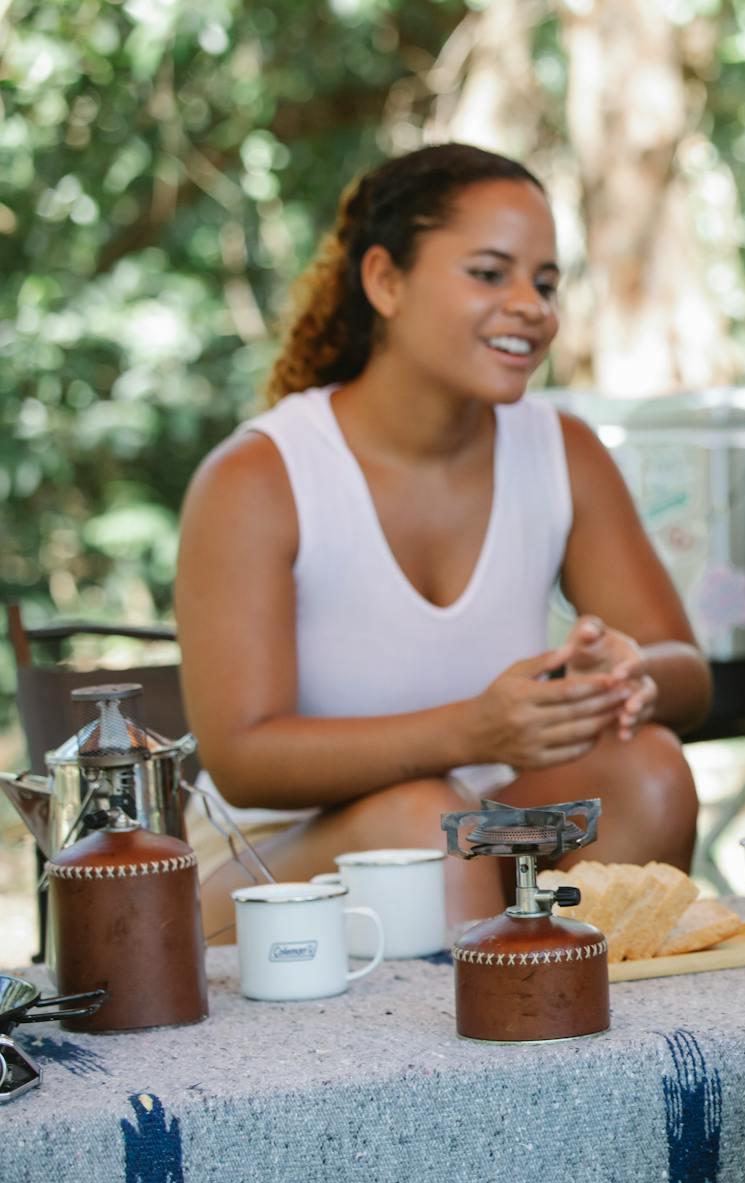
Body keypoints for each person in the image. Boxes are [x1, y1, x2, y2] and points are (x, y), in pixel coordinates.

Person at [176, 143, 709, 938]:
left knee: (651, 772)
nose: (530, 305)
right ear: (386, 280)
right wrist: (474, 729)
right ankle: (484, 1059)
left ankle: (602, 1045)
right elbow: (243, 757)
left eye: (546, 282)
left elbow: (687, 672)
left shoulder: (561, 449)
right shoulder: (258, 477)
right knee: (429, 827)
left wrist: (627, 678)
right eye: (490, 274)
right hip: (264, 867)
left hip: (474, 833)